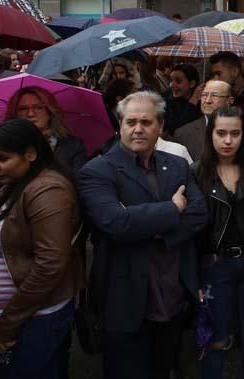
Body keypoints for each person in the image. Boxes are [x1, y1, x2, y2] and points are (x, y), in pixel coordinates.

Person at [78, 91, 208, 379]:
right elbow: (115, 223)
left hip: (172, 295)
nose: (138, 129)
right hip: (124, 300)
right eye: (131, 122)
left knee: (163, 370)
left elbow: (199, 213)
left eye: (146, 122)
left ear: (160, 126)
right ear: (120, 125)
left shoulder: (175, 164)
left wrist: (148, 228)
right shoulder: (97, 171)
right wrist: (172, 209)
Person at [0, 119, 83, 378]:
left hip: (34, 319)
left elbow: (49, 266)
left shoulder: (48, 190)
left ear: (31, 154)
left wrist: (5, 328)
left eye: (2, 158)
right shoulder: (15, 185)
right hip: (17, 316)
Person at [194, 106, 244, 379]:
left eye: (235, 133)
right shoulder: (197, 173)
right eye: (221, 133)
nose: (228, 140)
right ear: (211, 135)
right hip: (214, 267)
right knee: (215, 339)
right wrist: (194, 278)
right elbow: (191, 232)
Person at [175, 80, 244, 163]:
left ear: (230, 100)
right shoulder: (183, 133)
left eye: (215, 96)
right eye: (204, 95)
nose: (207, 101)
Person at [4, 86, 88, 178]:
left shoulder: (72, 145)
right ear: (15, 114)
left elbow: (80, 184)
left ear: (50, 112)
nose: (30, 114)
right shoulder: (4, 146)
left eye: (38, 108)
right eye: (23, 109)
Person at [165, 63, 201, 134]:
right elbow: (176, 128)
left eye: (178, 81)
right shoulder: (167, 103)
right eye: (171, 80)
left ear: (192, 84)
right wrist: (192, 102)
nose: (172, 85)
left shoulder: (203, 102)